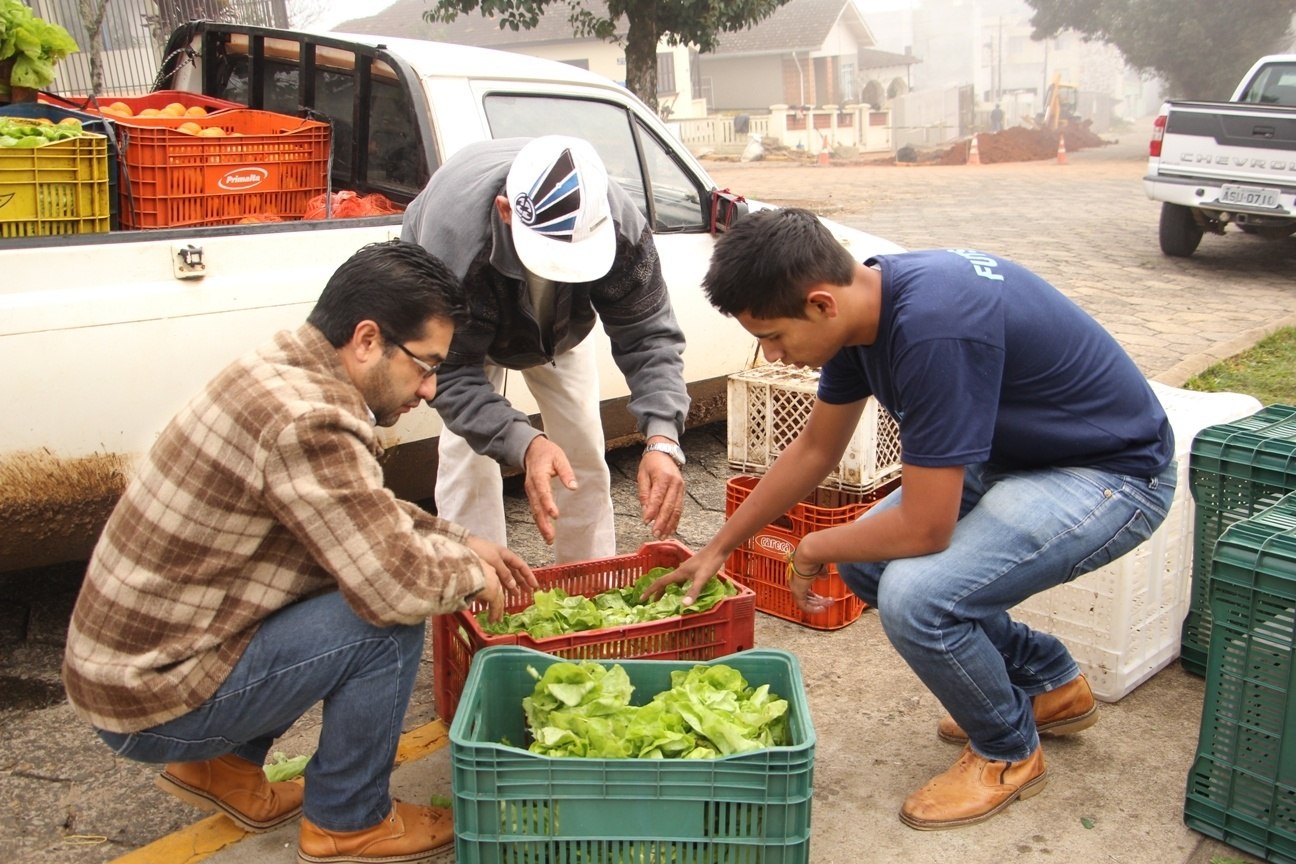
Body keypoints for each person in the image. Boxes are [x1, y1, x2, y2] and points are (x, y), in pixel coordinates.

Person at [650, 208, 1176, 830]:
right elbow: (815, 450)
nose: (772, 354)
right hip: (1022, 458)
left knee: (916, 598)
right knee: (870, 561)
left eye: (773, 337)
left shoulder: (933, 332)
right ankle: (1049, 685)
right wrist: (718, 549)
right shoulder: (862, 310)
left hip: (1112, 476)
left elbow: (928, 529)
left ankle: (1008, 751)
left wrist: (813, 545)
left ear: (821, 303)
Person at [61, 240, 537, 864]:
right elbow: (394, 582)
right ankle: (348, 819)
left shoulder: (282, 366)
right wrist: (472, 572)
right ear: (368, 339)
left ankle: (222, 771)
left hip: (127, 670)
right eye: (425, 365)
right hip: (149, 696)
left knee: (358, 573)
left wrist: (457, 539)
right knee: (384, 621)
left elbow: (352, 510)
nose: (429, 389)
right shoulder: (308, 420)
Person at [401, 135, 690, 563]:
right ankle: (480, 590)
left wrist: (663, 438)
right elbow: (450, 373)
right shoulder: (452, 248)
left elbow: (648, 334)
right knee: (467, 461)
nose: (563, 271)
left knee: (582, 448)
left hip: (559, 330)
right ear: (506, 212)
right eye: (551, 259)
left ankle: (589, 583)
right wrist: (524, 443)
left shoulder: (618, 225)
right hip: (464, 330)